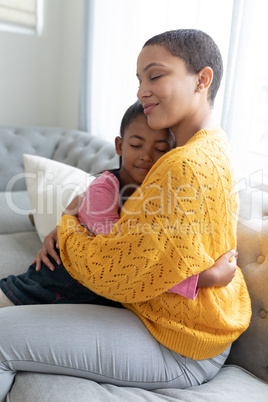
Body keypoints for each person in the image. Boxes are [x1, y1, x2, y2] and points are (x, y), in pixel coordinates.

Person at [0, 29, 251, 400]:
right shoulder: (213, 145)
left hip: (181, 343)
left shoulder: (183, 163)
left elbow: (116, 268)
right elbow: (132, 220)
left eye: (156, 75)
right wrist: (76, 210)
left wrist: (68, 228)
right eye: (139, 80)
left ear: (202, 79)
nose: (141, 91)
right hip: (187, 327)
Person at [0, 100, 234, 308]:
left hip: (92, 295)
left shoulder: (159, 194)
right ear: (120, 146)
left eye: (160, 149)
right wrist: (205, 279)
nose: (147, 156)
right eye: (136, 145)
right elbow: (124, 261)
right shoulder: (105, 189)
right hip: (47, 286)